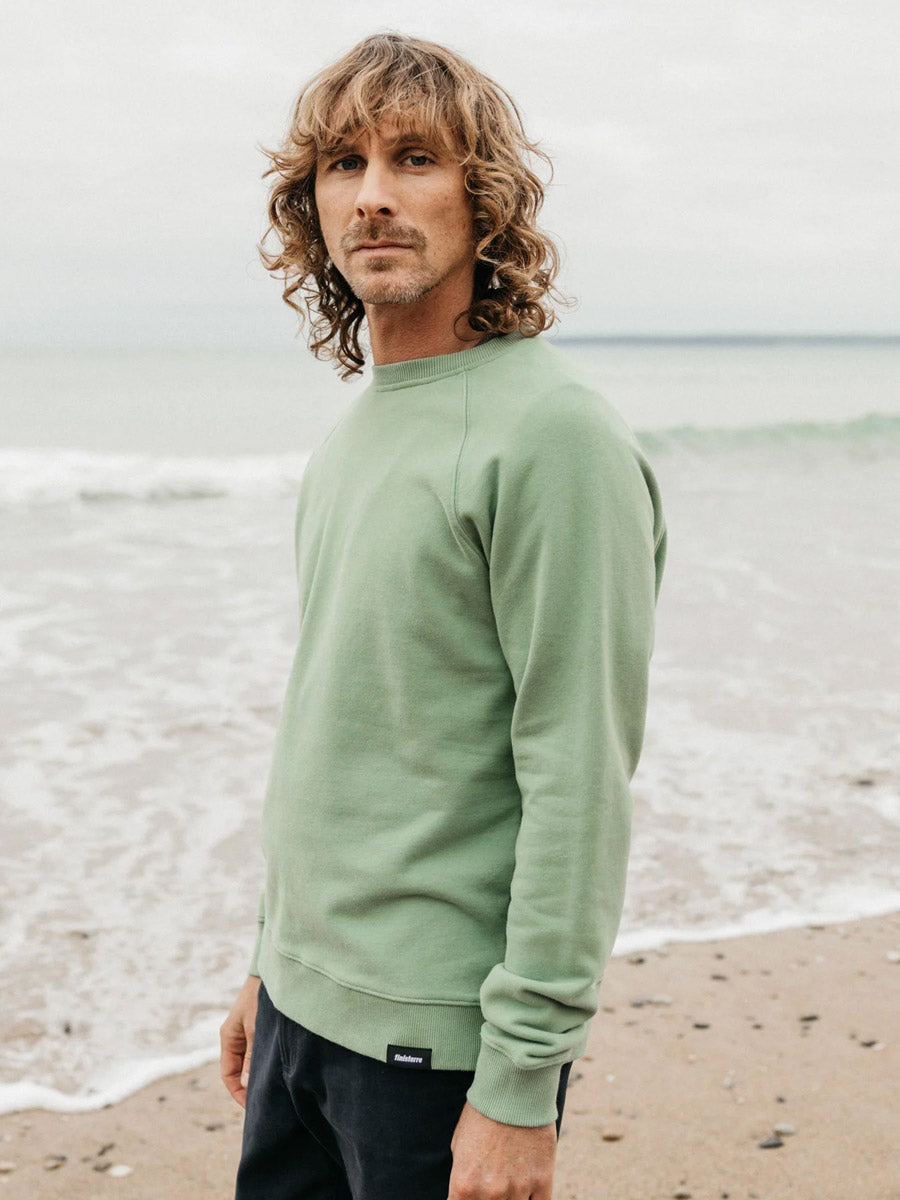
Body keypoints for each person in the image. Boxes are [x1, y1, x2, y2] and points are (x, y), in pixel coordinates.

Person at [220, 31, 667, 1200]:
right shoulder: (356, 432)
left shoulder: (554, 435)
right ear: (311, 205)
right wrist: (270, 964)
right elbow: (339, 726)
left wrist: (522, 1079)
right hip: (303, 1013)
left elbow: (577, 768)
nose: (373, 195)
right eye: (344, 164)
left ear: (484, 197)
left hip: (434, 1045)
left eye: (414, 158)